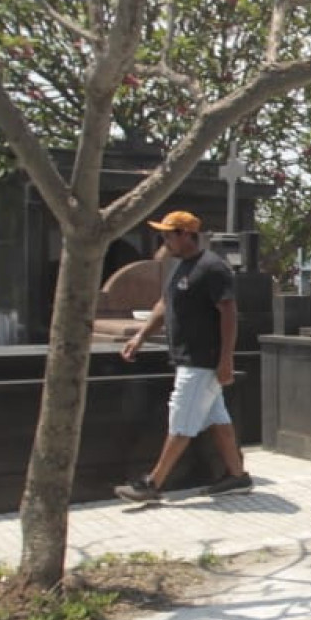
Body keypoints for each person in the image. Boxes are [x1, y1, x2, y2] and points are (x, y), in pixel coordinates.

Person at [115, 211, 252, 501]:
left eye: (169, 235)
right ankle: (238, 476)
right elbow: (164, 304)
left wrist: (226, 359)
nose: (164, 241)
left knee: (181, 421)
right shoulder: (181, 268)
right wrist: (141, 336)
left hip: (203, 361)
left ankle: (153, 483)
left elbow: (229, 314)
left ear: (188, 235)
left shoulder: (212, 268)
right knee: (218, 419)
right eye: (162, 235)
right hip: (187, 358)